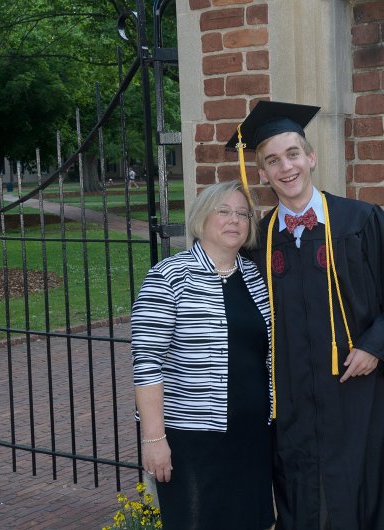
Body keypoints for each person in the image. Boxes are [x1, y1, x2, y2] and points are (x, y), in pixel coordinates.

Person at [227, 101, 384, 530]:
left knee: (361, 486)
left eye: (293, 154)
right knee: (300, 494)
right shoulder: (258, 242)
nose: (286, 167)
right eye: (273, 160)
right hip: (292, 396)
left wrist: (375, 347)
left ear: (311, 157)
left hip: (354, 389)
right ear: (261, 173)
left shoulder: (360, 221)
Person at [131, 180, 275, 530]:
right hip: (194, 438)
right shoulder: (168, 277)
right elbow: (147, 361)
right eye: (223, 211)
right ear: (201, 219)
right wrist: (154, 439)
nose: (234, 220)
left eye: (242, 214)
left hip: (253, 434)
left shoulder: (255, 277)